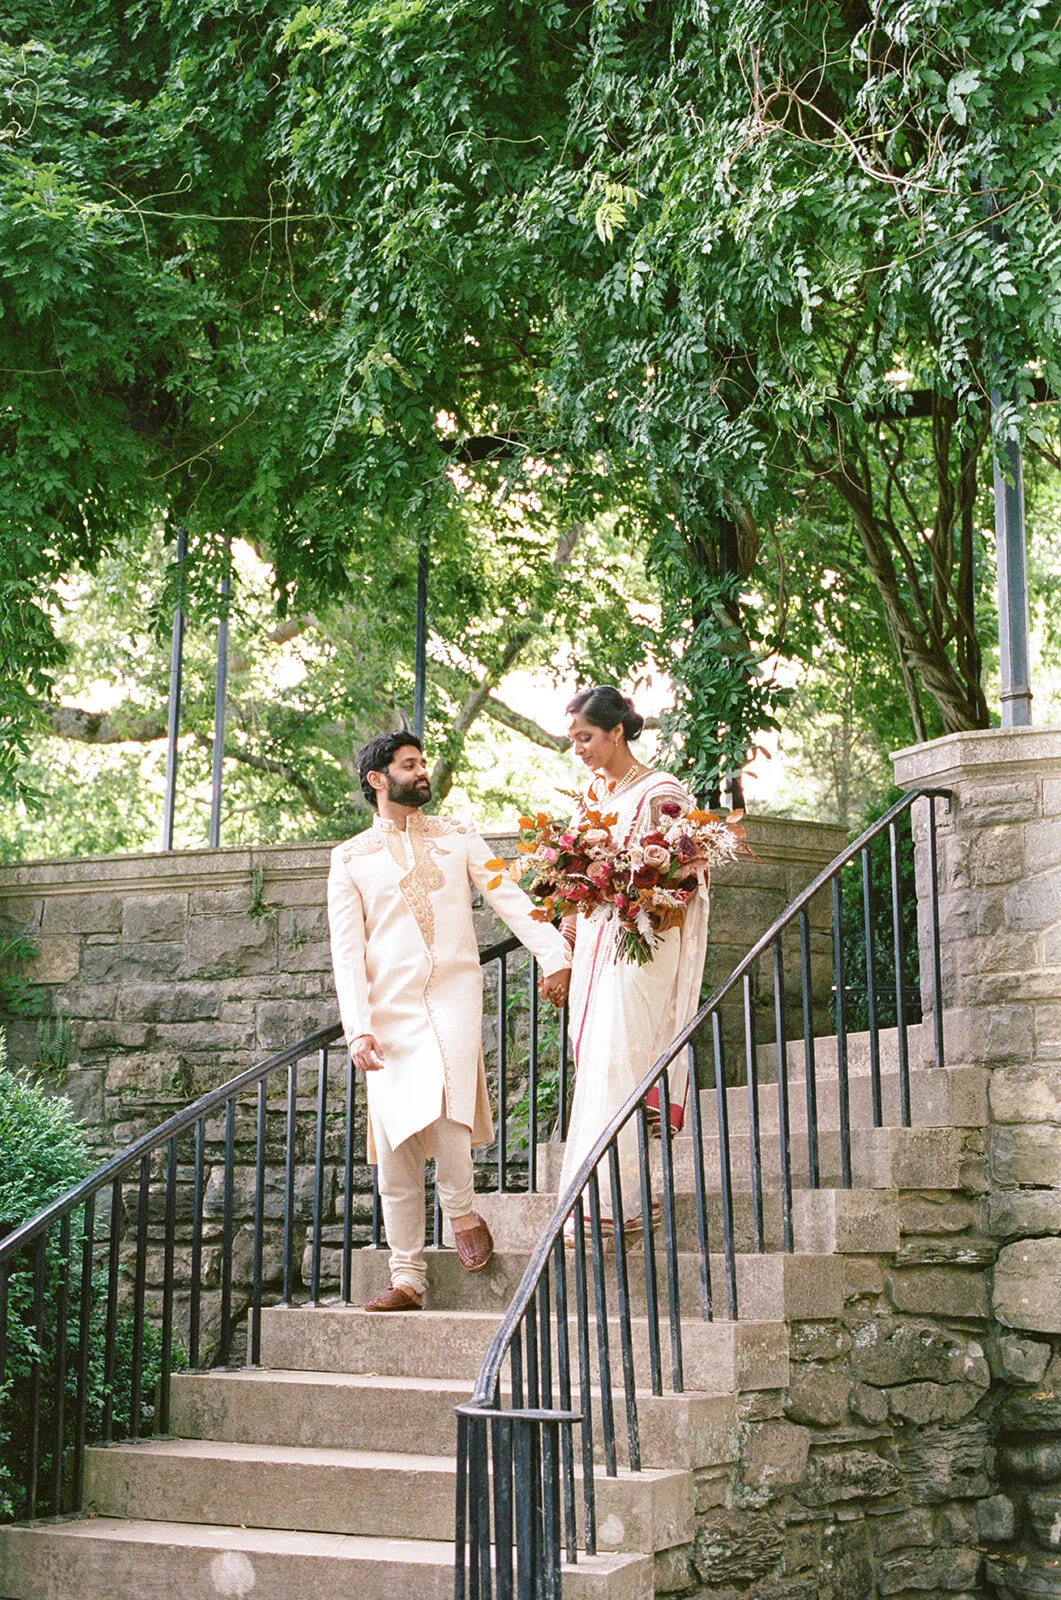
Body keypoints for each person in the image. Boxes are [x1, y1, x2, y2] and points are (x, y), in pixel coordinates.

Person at [328, 730, 571, 1310]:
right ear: (378, 780)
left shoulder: (458, 834)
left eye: (421, 762)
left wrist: (555, 954)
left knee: (448, 1102)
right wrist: (357, 1026)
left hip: (455, 995)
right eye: (409, 765)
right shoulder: (350, 857)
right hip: (388, 1011)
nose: (422, 772)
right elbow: (346, 950)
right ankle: (407, 1277)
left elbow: (506, 893)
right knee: (395, 1141)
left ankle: (459, 1208)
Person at [558, 686, 710, 1236]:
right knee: (599, 1064)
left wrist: (638, 892)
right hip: (600, 944)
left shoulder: (660, 791)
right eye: (574, 740)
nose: (579, 749)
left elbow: (689, 868)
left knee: (619, 1061)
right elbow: (572, 881)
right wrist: (569, 929)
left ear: (616, 731)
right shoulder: (592, 795)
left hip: (642, 942)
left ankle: (615, 1204)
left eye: (586, 737)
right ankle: (603, 1199)